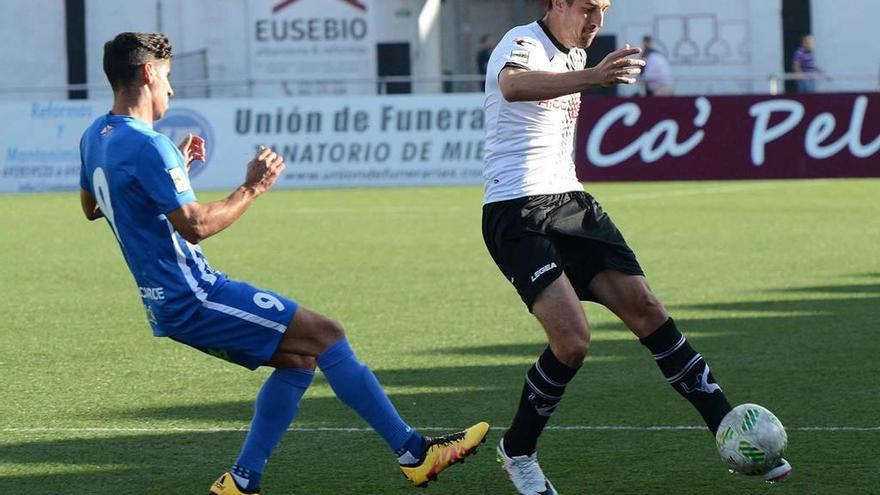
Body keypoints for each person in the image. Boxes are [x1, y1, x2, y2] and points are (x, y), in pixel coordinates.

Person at [79, 32, 488, 495]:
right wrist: (253, 186)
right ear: (149, 73)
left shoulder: (96, 136)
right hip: (193, 295)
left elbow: (93, 206)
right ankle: (415, 454)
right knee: (328, 335)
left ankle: (242, 480)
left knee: (298, 360)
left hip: (165, 302)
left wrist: (173, 179)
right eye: (169, 78)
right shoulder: (150, 145)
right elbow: (195, 226)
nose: (171, 90)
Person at [481, 2, 791, 494]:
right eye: (586, 7)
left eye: (603, 8)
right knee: (573, 342)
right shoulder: (522, 42)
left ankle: (727, 428)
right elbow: (513, 86)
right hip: (517, 211)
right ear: (557, 2)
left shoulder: (578, 54)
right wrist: (594, 78)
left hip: (572, 203)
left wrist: (590, 73)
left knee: (646, 308)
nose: (596, 21)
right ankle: (518, 451)